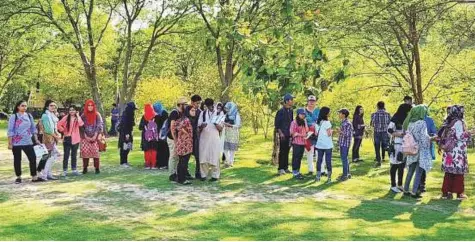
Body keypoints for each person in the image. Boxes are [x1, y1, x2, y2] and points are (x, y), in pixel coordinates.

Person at [402, 105, 435, 199]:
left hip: (412, 149)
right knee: (419, 171)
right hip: (420, 150)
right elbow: (424, 138)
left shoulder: (410, 123)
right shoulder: (422, 123)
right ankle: (414, 191)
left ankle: (406, 189)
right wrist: (431, 139)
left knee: (410, 171)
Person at [7, 100, 43, 183]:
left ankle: (34, 176)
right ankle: (18, 177)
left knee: (33, 158)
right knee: (17, 159)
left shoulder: (29, 116)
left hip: (28, 141)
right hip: (16, 142)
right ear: (18, 107)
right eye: (22, 106)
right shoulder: (14, 116)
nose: (24, 107)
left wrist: (36, 139)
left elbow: (33, 129)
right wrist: (10, 143)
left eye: (25, 106)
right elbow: (10, 130)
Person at [440, 105, 470, 200]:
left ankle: (446, 193)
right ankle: (459, 193)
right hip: (457, 151)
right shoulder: (458, 122)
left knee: (449, 172)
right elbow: (460, 136)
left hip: (448, 150)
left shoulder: (448, 122)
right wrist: (469, 133)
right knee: (458, 172)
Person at [387, 104, 412, 193]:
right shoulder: (395, 118)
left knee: (402, 165)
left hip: (405, 144)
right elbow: (389, 130)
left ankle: (400, 184)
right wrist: (399, 134)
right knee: (394, 165)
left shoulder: (408, 119)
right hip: (396, 144)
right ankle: (393, 185)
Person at [198, 98, 224, 182]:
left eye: (211, 106)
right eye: (208, 106)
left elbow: (221, 128)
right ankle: (203, 175)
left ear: (213, 104)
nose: (210, 108)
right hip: (204, 138)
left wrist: (216, 123)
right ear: (205, 106)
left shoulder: (219, 113)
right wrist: (202, 126)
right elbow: (199, 127)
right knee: (203, 156)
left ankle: (215, 175)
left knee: (215, 156)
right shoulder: (203, 113)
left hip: (214, 138)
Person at [37, 100, 61, 181]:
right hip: (48, 138)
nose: (53, 107)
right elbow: (48, 129)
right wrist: (56, 136)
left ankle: (47, 174)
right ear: (47, 107)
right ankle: (44, 174)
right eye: (51, 105)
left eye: (54, 105)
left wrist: (57, 134)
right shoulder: (45, 116)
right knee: (51, 155)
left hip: (52, 138)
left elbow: (54, 128)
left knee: (49, 156)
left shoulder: (52, 115)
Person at [57, 105, 84, 176]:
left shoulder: (77, 118)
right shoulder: (65, 118)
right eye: (70, 110)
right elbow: (59, 124)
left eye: (73, 110)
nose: (72, 111)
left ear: (76, 111)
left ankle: (74, 169)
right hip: (67, 138)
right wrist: (63, 131)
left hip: (76, 139)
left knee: (74, 155)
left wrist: (78, 116)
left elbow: (81, 124)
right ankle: (65, 170)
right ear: (69, 111)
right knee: (66, 155)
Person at [80, 99, 104, 174]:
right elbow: (81, 126)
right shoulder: (83, 115)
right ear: (86, 106)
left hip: (95, 137)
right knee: (85, 153)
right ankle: (85, 168)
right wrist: (85, 136)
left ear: (94, 106)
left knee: (95, 153)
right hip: (85, 137)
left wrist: (95, 135)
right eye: (88, 105)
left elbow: (99, 125)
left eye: (91, 105)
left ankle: (97, 168)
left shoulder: (97, 115)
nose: (90, 107)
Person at [168, 97, 188, 182]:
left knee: (177, 157)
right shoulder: (174, 113)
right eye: (185, 104)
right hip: (172, 138)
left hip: (179, 139)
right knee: (173, 156)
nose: (186, 106)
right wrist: (175, 140)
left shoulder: (182, 113)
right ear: (180, 105)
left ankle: (176, 173)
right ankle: (172, 175)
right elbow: (172, 127)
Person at [274, 94, 294, 175]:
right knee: (282, 151)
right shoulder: (280, 111)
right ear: (286, 101)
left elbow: (292, 123)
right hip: (283, 135)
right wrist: (280, 133)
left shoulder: (291, 111)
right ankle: (280, 168)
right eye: (291, 100)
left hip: (289, 134)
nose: (292, 101)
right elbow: (277, 124)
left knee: (287, 151)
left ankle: (286, 168)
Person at [174, 107, 194, 185]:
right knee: (184, 162)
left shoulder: (181, 119)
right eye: (192, 110)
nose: (194, 112)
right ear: (188, 111)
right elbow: (180, 128)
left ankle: (179, 178)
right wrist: (185, 132)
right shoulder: (187, 120)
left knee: (181, 161)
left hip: (181, 143)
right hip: (186, 144)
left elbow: (175, 126)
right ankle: (182, 179)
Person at [186, 95, 202, 178]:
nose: (198, 105)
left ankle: (198, 172)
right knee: (186, 155)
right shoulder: (186, 110)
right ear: (192, 102)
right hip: (187, 136)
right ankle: (186, 172)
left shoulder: (200, 112)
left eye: (199, 103)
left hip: (196, 136)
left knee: (197, 155)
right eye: (197, 103)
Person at [315, 107, 333, 183]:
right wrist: (332, 131)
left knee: (319, 160)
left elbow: (316, 133)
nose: (330, 113)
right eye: (329, 112)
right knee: (328, 161)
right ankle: (329, 178)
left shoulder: (317, 122)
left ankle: (318, 176)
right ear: (326, 113)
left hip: (319, 144)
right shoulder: (327, 123)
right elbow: (329, 134)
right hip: (327, 144)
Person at [370, 101, 391, 167]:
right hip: (385, 132)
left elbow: (372, 124)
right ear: (384, 106)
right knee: (387, 146)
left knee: (377, 147)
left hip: (377, 132)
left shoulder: (374, 114)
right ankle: (392, 161)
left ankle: (378, 161)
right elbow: (390, 123)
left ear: (377, 106)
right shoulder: (388, 114)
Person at [420, 113, 437, 193]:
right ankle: (420, 184)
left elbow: (434, 132)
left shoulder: (429, 120)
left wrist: (430, 136)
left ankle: (421, 184)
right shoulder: (412, 119)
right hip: (417, 146)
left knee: (422, 165)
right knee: (420, 165)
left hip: (425, 145)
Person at [290, 108, 308, 180]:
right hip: (296, 142)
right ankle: (294, 172)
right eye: (302, 114)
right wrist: (301, 135)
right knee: (296, 157)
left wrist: (305, 122)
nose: (303, 115)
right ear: (298, 114)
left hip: (303, 142)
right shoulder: (294, 122)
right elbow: (292, 133)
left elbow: (306, 130)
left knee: (300, 158)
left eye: (304, 114)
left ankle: (298, 171)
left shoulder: (303, 122)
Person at [139, 104, 159, 169]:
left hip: (146, 136)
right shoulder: (156, 116)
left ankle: (147, 164)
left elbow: (140, 127)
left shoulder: (144, 117)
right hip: (154, 136)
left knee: (147, 150)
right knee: (153, 150)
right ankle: (153, 165)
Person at [304, 95, 320, 175]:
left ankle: (320, 169)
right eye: (310, 101)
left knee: (319, 152)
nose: (311, 103)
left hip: (318, 134)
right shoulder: (304, 111)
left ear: (315, 102)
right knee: (309, 151)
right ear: (307, 102)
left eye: (313, 101)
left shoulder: (318, 111)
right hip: (308, 134)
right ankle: (311, 169)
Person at [118, 102, 137, 168]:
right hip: (125, 133)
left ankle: (125, 161)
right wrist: (127, 134)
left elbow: (131, 124)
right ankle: (122, 162)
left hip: (129, 132)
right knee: (124, 147)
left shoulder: (130, 114)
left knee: (128, 146)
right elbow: (124, 125)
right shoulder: (125, 114)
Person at [223, 102, 241, 168]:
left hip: (233, 132)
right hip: (226, 132)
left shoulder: (236, 115)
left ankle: (231, 162)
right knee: (225, 148)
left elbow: (238, 125)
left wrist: (229, 125)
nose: (226, 110)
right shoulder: (226, 115)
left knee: (232, 148)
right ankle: (227, 161)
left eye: (227, 108)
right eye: (226, 108)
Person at [337, 108, 353, 181]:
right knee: (345, 159)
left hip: (345, 144)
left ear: (343, 115)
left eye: (340, 113)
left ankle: (345, 175)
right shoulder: (343, 122)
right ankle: (348, 174)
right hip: (342, 143)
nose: (339, 114)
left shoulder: (347, 123)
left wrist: (340, 131)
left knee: (344, 159)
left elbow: (347, 134)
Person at [153, 102, 169, 169]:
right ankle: (159, 163)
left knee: (164, 149)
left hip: (163, 134)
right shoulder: (157, 114)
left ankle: (164, 164)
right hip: (158, 134)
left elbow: (164, 124)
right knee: (159, 149)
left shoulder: (164, 113)